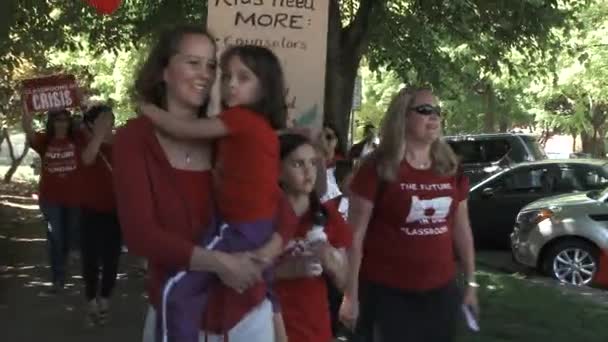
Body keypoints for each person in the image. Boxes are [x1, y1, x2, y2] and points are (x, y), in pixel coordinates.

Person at [114, 26, 292, 342]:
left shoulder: (228, 138)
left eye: (211, 65)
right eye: (193, 63)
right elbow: (140, 235)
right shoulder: (134, 139)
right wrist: (220, 263)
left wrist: (267, 251)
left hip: (247, 316)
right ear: (164, 71)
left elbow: (281, 207)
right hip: (176, 319)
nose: (206, 74)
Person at [340, 87, 478, 341]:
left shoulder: (450, 168)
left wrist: (470, 282)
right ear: (402, 116)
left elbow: (462, 230)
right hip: (387, 295)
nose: (434, 117)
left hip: (441, 293)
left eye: (437, 111)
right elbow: (355, 237)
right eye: (424, 110)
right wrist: (350, 295)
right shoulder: (377, 168)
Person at [273, 133, 351, 342]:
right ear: (278, 171)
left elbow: (345, 281)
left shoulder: (327, 215)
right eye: (298, 164)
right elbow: (242, 275)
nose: (309, 171)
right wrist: (286, 271)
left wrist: (333, 262)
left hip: (316, 329)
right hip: (270, 328)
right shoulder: (262, 217)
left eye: (313, 163)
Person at [22, 107, 82, 293]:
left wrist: (81, 100)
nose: (61, 123)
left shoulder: (77, 140)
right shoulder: (45, 141)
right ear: (51, 122)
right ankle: (58, 277)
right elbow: (30, 133)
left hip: (74, 197)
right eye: (57, 119)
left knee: (71, 235)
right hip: (50, 198)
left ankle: (67, 261)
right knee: (55, 236)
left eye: (65, 119)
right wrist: (27, 115)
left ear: (69, 122)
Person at [79, 104, 121, 326]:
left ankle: (105, 298)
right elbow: (87, 159)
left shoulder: (121, 143)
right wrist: (98, 136)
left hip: (116, 211)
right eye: (103, 119)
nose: (108, 123)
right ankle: (90, 301)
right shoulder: (84, 142)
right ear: (91, 122)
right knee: (91, 259)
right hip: (90, 210)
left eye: (110, 119)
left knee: (112, 258)